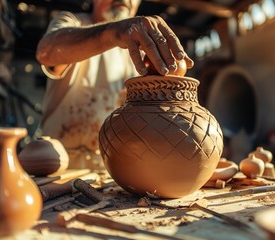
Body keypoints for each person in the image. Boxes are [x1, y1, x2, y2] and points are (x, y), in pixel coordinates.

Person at [36, 0, 194, 172]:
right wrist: (113, 33)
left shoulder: (142, 51)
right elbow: (47, 52)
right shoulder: (73, 22)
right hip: (57, 164)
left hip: (114, 169)